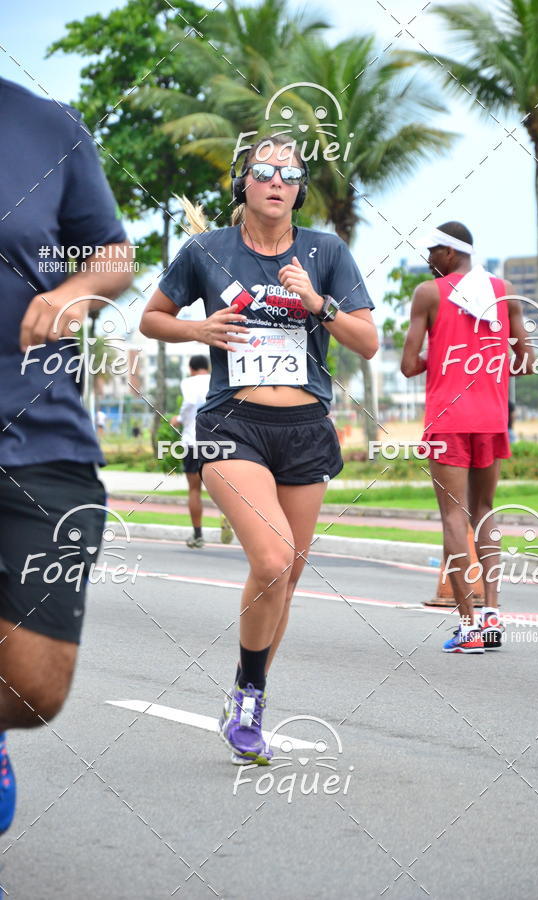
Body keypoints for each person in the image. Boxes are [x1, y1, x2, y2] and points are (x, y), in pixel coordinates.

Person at [141, 134, 378, 764]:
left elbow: (369, 341)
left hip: (305, 429)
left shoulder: (326, 252)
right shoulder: (207, 252)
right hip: (232, 424)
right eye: (265, 171)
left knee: (288, 576)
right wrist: (198, 327)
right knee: (272, 559)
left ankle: (249, 693)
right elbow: (152, 319)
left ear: (300, 189)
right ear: (244, 182)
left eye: (291, 173)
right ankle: (248, 693)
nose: (277, 181)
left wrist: (318, 305)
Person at [0, 76, 133, 831]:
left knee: (35, 687)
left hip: (40, 427)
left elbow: (110, 250)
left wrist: (78, 291)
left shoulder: (48, 127)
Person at [401, 222, 533, 653]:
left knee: (454, 517)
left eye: (433, 251)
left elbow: (407, 364)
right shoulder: (504, 290)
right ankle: (493, 614)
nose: (428, 259)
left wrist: (439, 359)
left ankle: (468, 626)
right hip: (491, 417)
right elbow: (526, 359)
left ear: (451, 253)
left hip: (448, 419)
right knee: (485, 510)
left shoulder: (428, 294)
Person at [170, 355, 211, 548]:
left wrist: (179, 419)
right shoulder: (216, 379)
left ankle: (198, 535)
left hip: (193, 440)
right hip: (219, 440)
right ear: (207, 367)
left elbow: (188, 404)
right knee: (228, 488)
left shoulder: (189, 382)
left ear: (191, 368)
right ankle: (229, 521)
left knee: (194, 490)